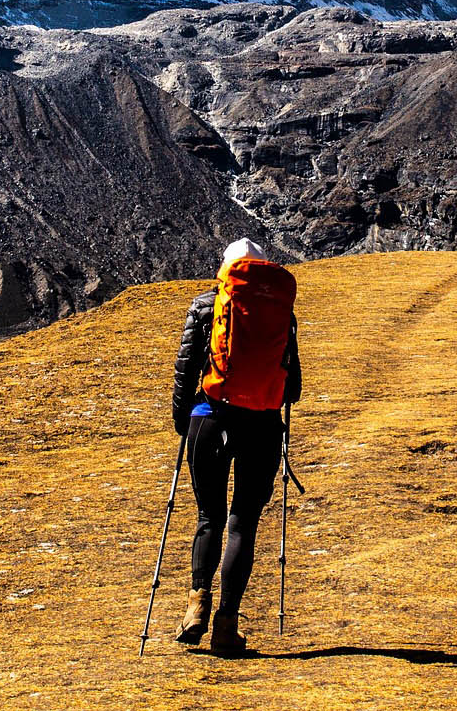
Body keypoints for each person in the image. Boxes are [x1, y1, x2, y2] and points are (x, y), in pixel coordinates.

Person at [170, 238, 302, 656]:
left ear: (225, 270)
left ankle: (196, 606)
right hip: (262, 426)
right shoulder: (282, 311)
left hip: (209, 418)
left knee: (208, 516)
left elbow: (185, 371)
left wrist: (183, 423)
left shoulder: (206, 306)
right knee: (243, 523)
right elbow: (293, 387)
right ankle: (226, 625)